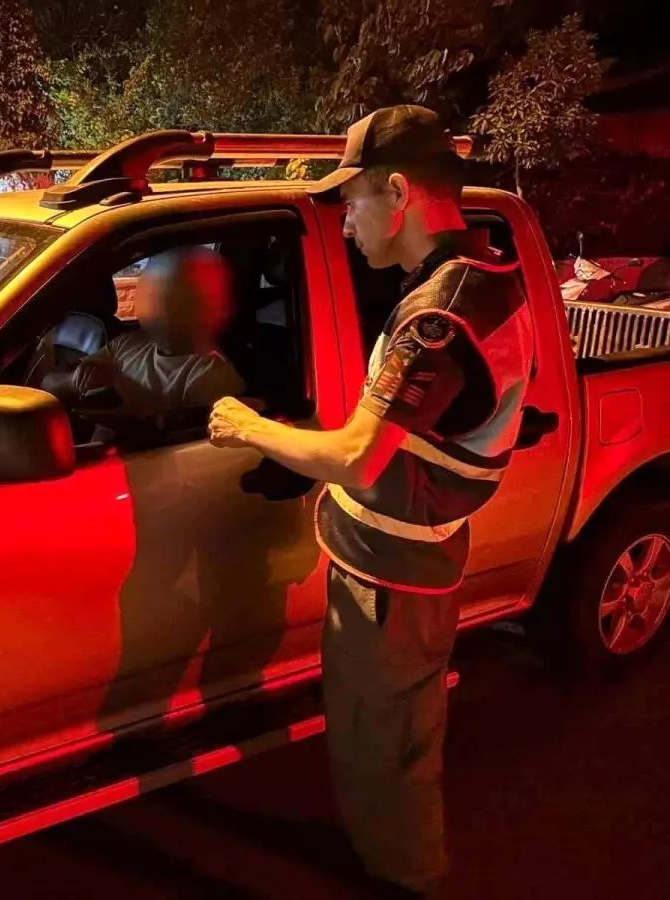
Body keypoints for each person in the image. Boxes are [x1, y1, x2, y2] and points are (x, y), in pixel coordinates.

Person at [208, 106, 534, 897]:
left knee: (384, 739)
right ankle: (388, 847)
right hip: (414, 562)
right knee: (393, 731)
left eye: (351, 202)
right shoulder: (487, 275)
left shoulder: (437, 318)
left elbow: (358, 456)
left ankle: (407, 875)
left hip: (393, 581)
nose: (346, 223)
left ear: (397, 192)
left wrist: (248, 426)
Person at [48, 247, 244, 417]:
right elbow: (48, 384)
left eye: (171, 297)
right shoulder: (126, 345)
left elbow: (189, 442)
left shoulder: (211, 375)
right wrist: (75, 380)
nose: (155, 304)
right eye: (152, 294)